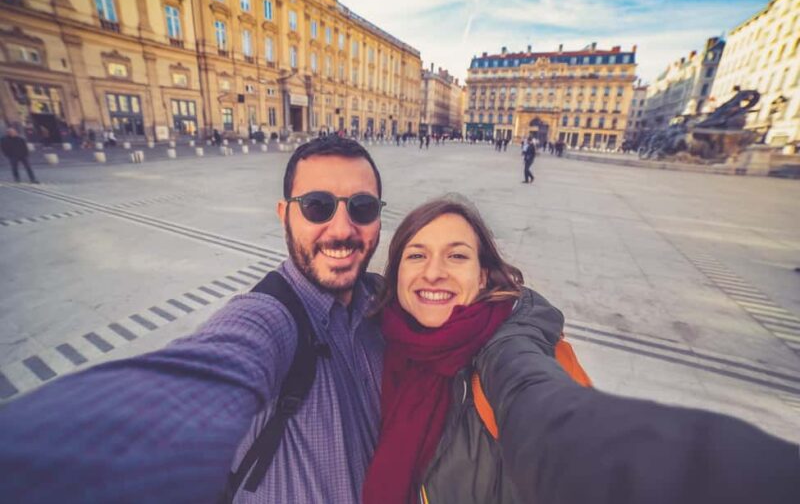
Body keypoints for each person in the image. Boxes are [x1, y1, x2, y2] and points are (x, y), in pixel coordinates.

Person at [0, 137, 388, 503]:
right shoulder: (269, 316)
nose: (341, 229)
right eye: (317, 206)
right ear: (284, 214)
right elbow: (208, 369)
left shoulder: (381, 302)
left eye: (362, 207)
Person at [361, 197, 800, 504]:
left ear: (484, 278)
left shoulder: (511, 351)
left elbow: (549, 410)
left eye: (457, 256)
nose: (433, 272)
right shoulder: (384, 344)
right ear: (396, 270)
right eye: (416, 255)